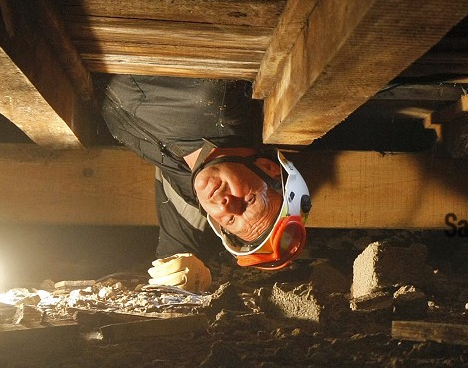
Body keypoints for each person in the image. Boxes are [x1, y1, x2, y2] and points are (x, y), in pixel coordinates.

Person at [99, 75, 311, 291]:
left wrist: (191, 275)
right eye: (248, 201)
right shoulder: (216, 101)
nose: (226, 205)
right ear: (268, 168)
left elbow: (176, 255)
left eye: (229, 220)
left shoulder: (194, 192)